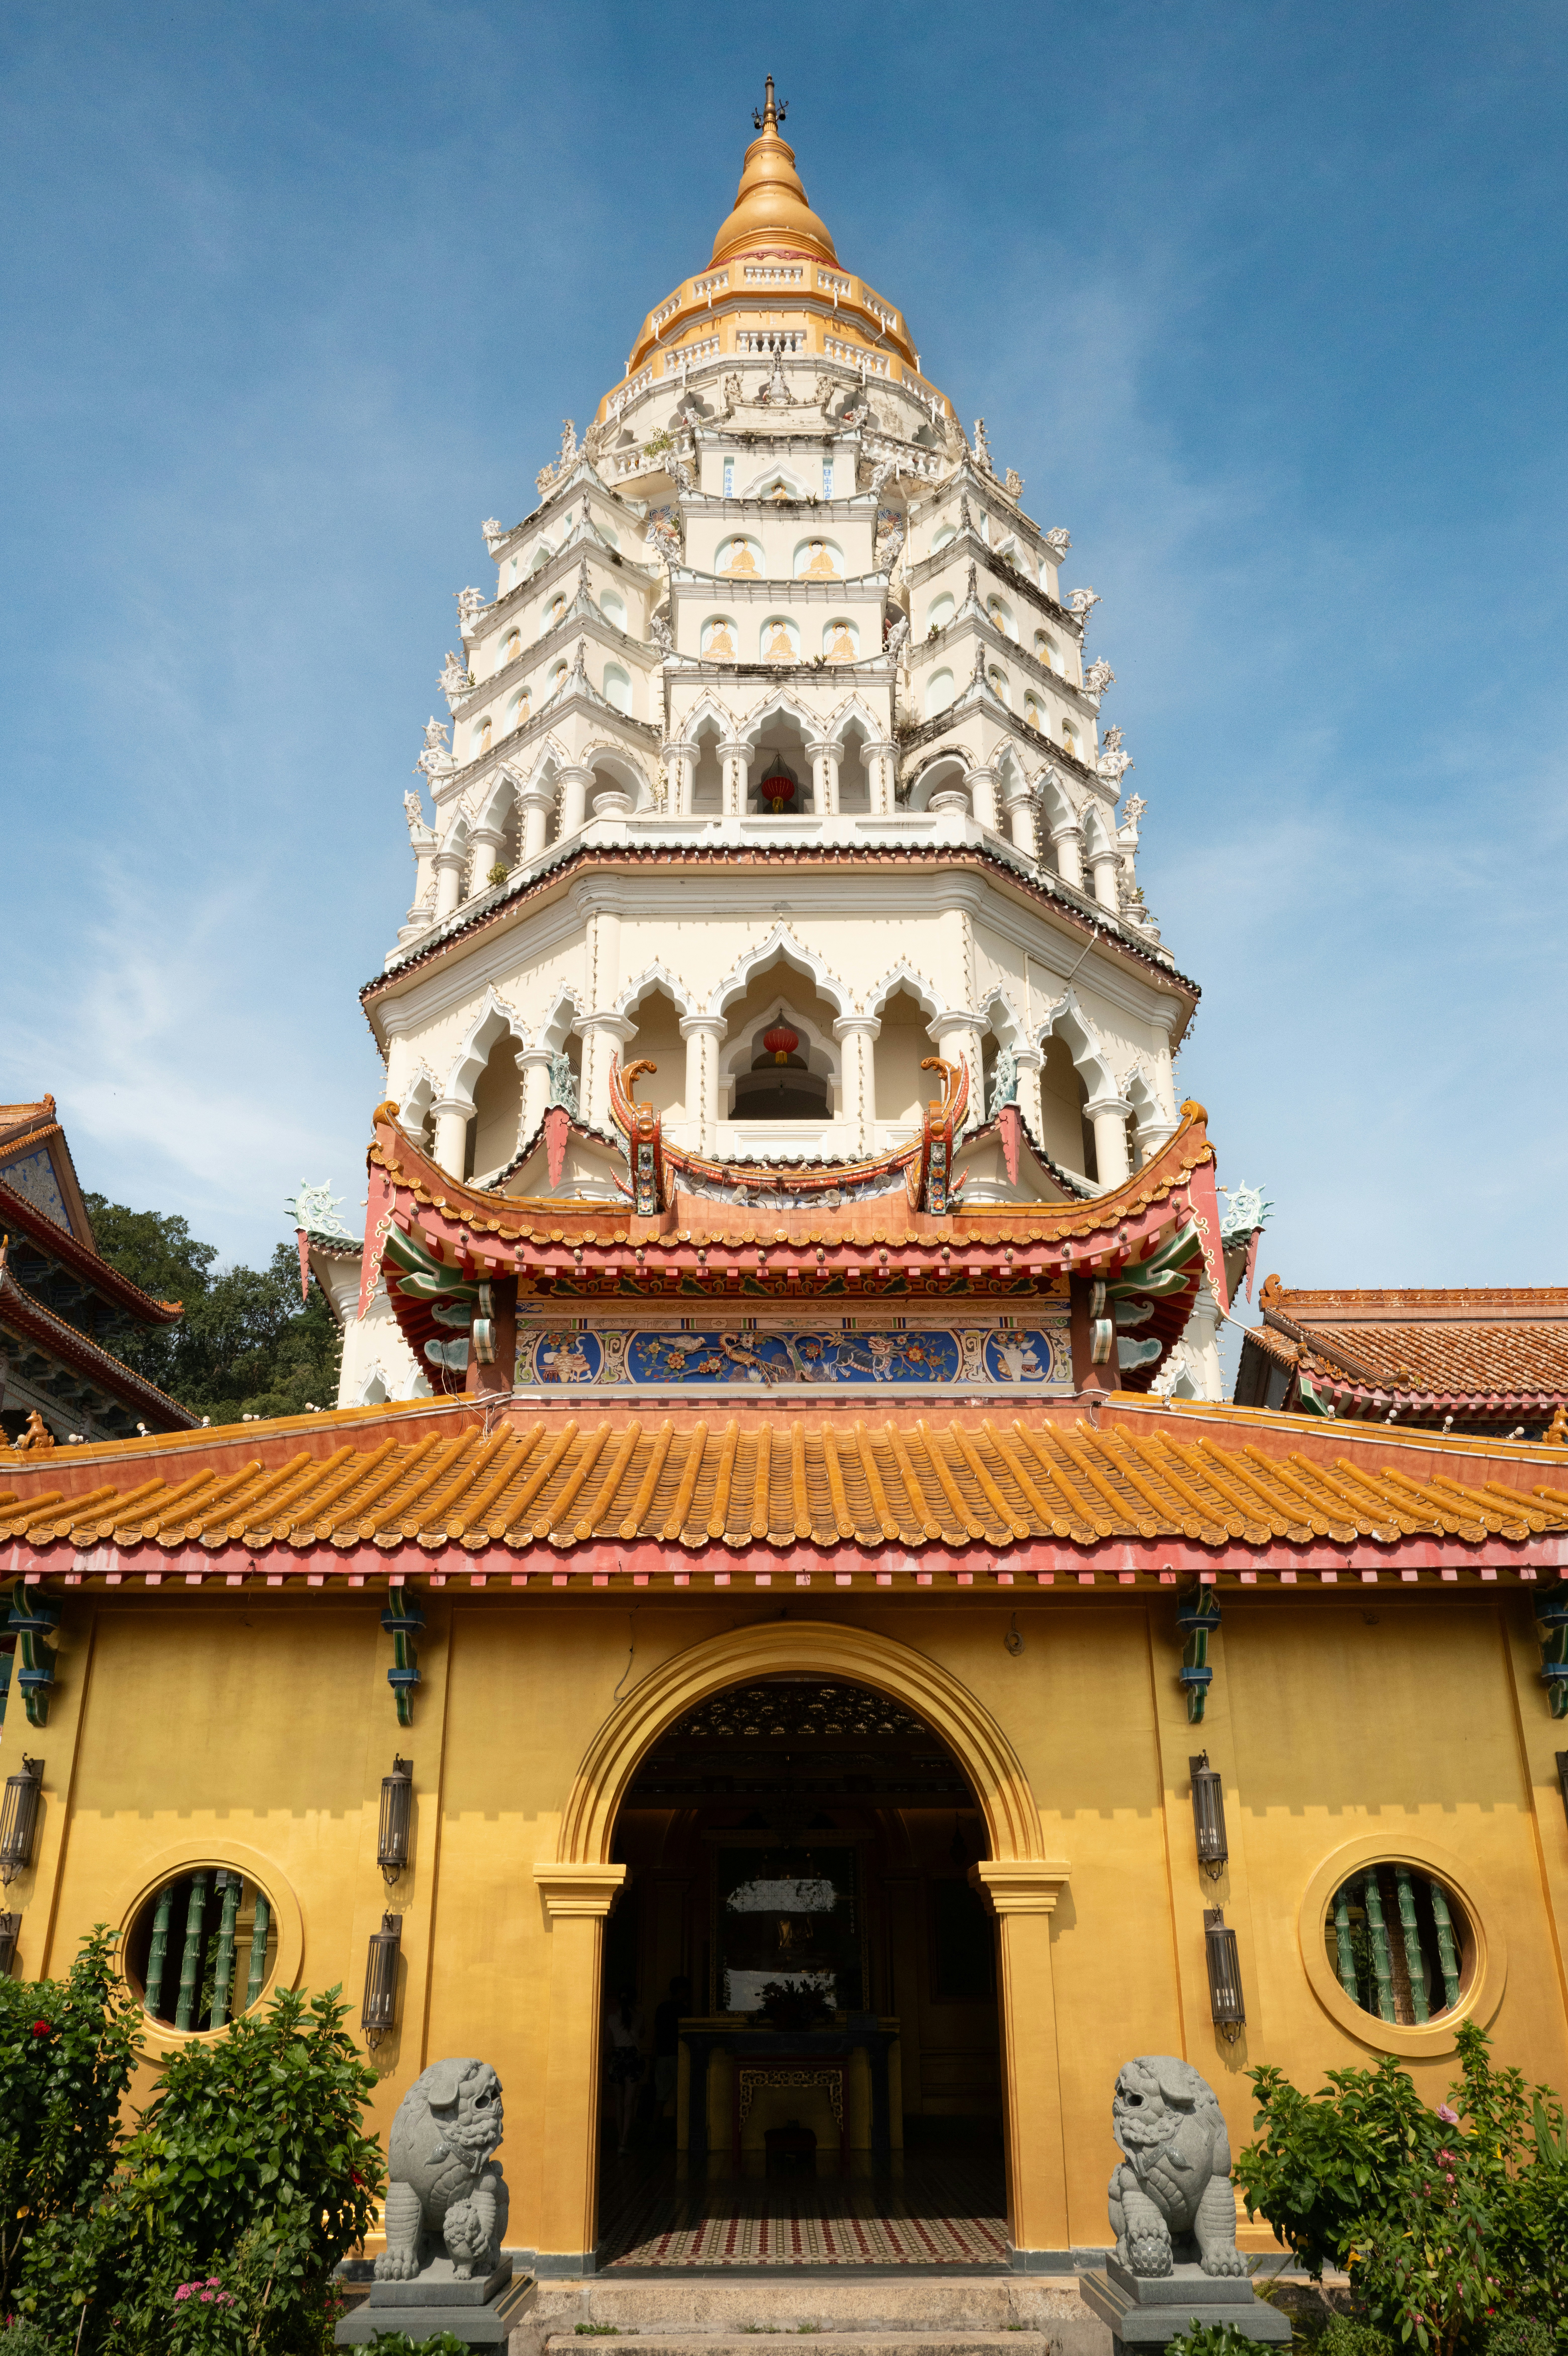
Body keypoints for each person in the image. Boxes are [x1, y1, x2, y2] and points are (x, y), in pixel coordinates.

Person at [604, 1986, 644, 2154]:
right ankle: (624, 2141)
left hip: (617, 2057)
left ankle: (619, 2137)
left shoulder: (611, 2019)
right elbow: (642, 2036)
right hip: (632, 2058)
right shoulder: (640, 2018)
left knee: (619, 2102)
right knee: (629, 2102)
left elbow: (608, 2042)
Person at [651, 1974, 691, 2131]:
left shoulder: (662, 2008)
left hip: (662, 2056)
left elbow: (656, 2033)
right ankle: (680, 2132)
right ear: (682, 1991)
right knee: (680, 2095)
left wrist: (653, 2058)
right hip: (678, 2055)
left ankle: (653, 2132)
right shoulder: (684, 2010)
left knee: (660, 2096)